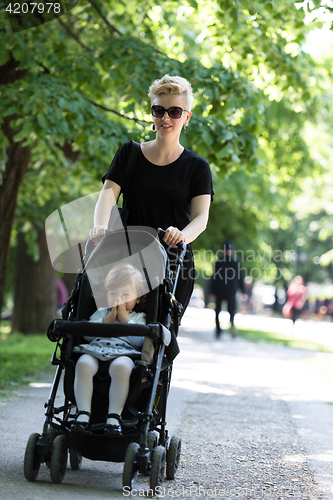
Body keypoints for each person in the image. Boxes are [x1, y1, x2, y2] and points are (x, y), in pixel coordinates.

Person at [89, 74, 214, 316]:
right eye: (159, 110)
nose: (166, 117)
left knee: (158, 339)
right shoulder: (129, 154)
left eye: (175, 112)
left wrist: (181, 236)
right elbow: (106, 197)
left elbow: (201, 219)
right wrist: (99, 227)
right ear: (152, 113)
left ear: (187, 117)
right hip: (126, 258)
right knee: (112, 325)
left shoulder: (198, 167)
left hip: (172, 263)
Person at [71, 263, 149, 436]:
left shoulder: (138, 317)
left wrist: (125, 320)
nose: (118, 299)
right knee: (82, 363)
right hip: (95, 350)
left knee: (120, 367)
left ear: (138, 298)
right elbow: (87, 335)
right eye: (113, 293)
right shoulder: (101, 313)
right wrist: (106, 321)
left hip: (125, 353)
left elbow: (140, 342)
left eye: (125, 294)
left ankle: (114, 416)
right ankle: (83, 413)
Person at [210, 241, 245, 338]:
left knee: (231, 310)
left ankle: (232, 326)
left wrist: (243, 290)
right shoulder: (219, 262)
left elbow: (240, 277)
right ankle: (218, 330)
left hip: (231, 290)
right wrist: (212, 291)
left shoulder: (235, 262)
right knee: (217, 310)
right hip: (220, 290)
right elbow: (214, 277)